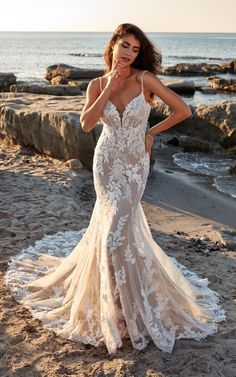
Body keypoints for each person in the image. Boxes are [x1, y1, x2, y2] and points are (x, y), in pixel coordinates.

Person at [5, 23, 226, 355]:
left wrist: (151, 134)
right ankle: (117, 309)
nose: (129, 53)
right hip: (106, 164)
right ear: (112, 46)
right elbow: (87, 124)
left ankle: (123, 310)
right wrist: (107, 87)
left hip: (135, 165)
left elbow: (184, 110)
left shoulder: (145, 79)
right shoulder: (96, 83)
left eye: (135, 49)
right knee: (114, 234)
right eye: (125, 46)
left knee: (113, 235)